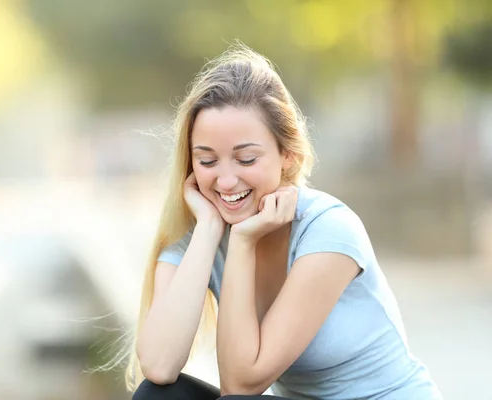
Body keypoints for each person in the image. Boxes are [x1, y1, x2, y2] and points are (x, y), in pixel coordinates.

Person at [126, 42, 442, 399]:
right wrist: (210, 231)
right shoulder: (197, 238)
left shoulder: (328, 229)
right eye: (208, 161)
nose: (226, 181)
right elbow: (159, 366)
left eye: (246, 160)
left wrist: (243, 242)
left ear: (287, 157)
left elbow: (241, 386)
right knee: (160, 395)